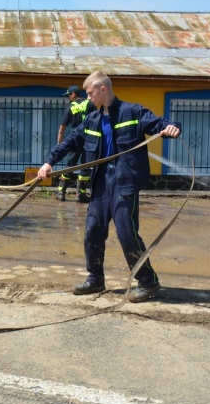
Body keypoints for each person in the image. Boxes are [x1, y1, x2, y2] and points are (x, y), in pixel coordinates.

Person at [37, 71, 181, 303]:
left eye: (90, 93)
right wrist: (49, 162)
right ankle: (95, 279)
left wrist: (173, 127)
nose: (88, 97)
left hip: (124, 183)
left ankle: (148, 281)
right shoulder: (91, 119)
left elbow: (160, 124)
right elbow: (71, 141)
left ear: (103, 89)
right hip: (101, 183)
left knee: (127, 234)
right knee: (92, 231)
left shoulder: (132, 112)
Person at [54, 85, 91, 202]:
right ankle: (81, 195)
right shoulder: (90, 104)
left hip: (75, 139)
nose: (68, 98)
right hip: (89, 138)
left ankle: (61, 193)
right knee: (85, 166)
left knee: (70, 165)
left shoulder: (70, 108)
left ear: (74, 94)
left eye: (69, 95)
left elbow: (62, 129)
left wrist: (60, 146)